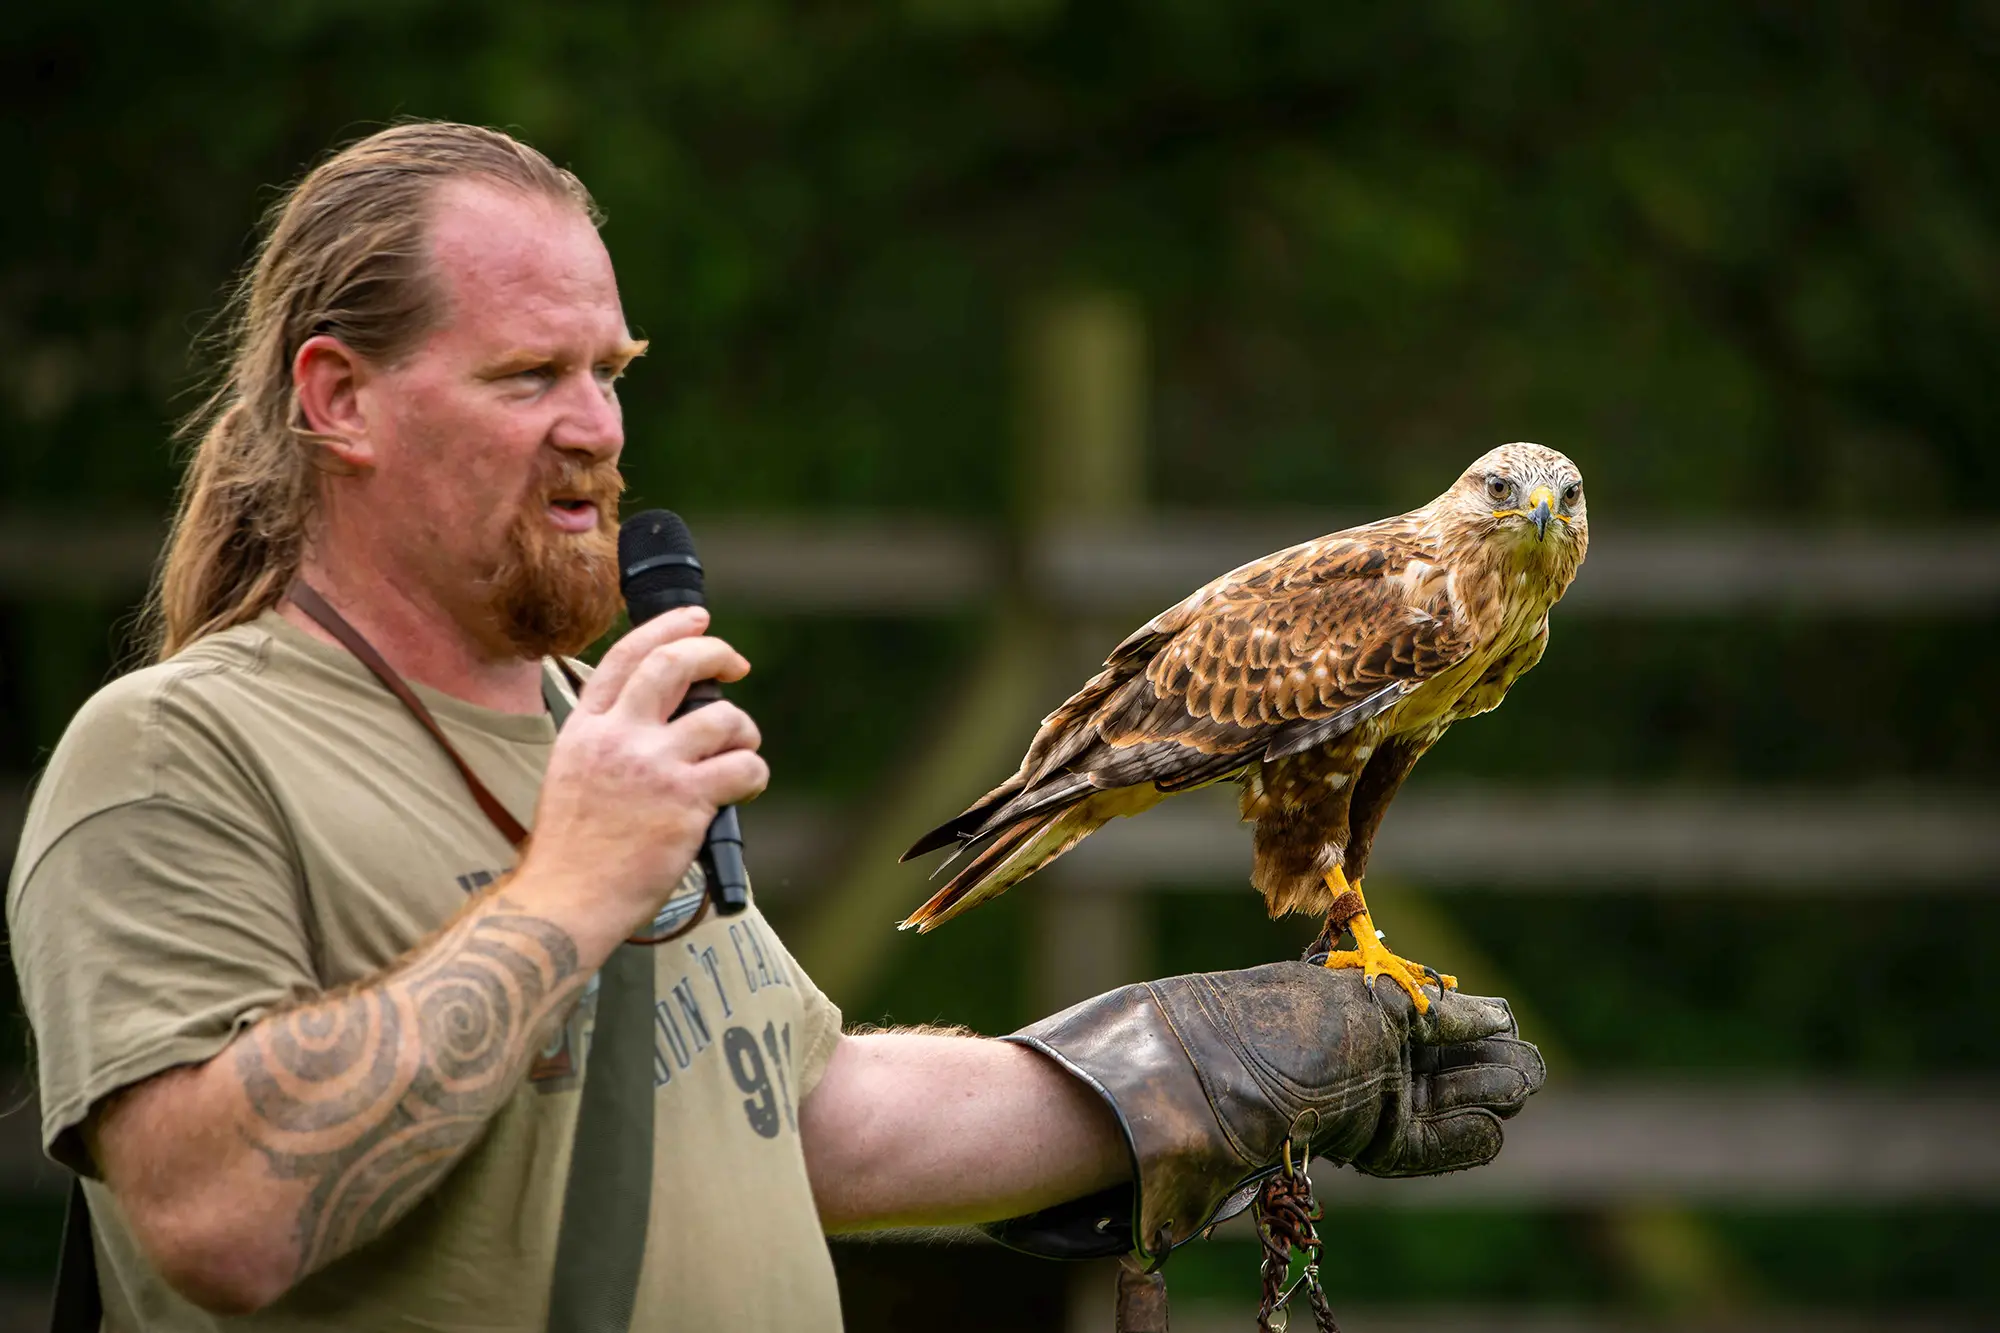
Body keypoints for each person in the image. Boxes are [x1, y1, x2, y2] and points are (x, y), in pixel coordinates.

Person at [5, 122, 1544, 1331]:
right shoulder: (178, 754)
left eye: (610, 372)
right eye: (530, 374)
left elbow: (797, 1123)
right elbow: (218, 1220)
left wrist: (1199, 1066)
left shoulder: (588, 727)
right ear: (337, 399)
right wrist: (573, 884)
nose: (598, 426)